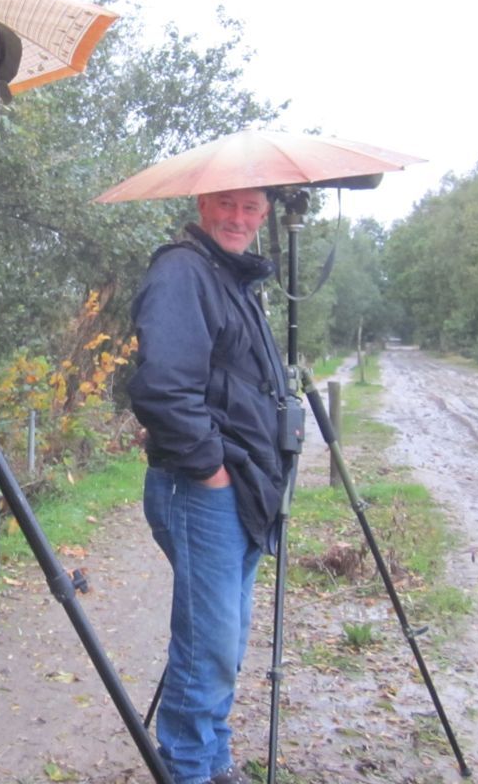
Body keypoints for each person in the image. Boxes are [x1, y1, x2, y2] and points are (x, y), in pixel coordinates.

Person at [127, 187, 294, 784]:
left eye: (251, 208)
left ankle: (213, 761)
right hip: (203, 489)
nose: (239, 218)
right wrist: (211, 471)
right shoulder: (182, 272)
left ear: (266, 215)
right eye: (227, 204)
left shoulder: (231, 279)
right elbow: (163, 388)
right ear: (202, 205)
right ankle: (190, 770)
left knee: (223, 642)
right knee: (208, 648)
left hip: (242, 489)